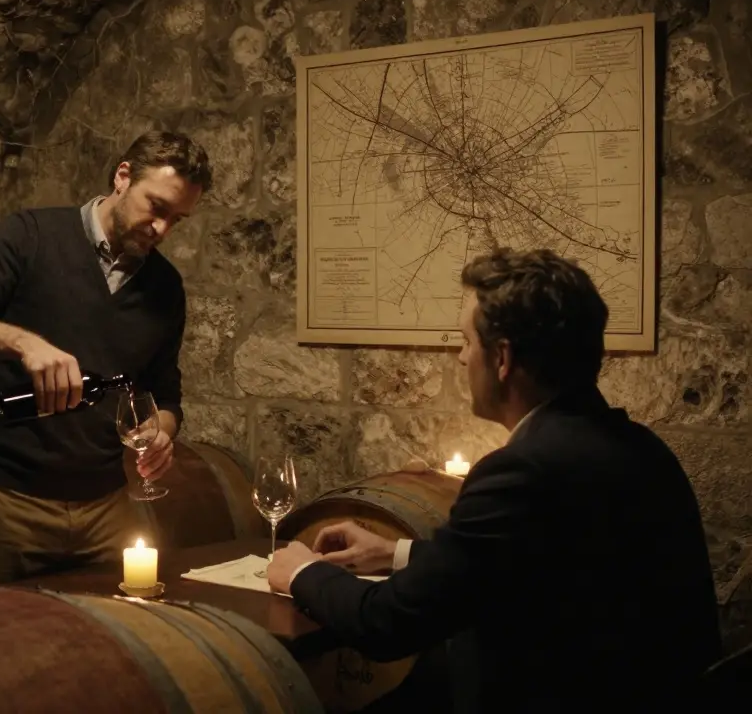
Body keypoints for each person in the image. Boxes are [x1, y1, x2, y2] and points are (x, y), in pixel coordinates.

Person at [268, 248, 723, 713]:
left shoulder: (523, 471)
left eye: (466, 342)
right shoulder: (639, 445)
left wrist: (302, 572)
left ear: (502, 358)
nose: (461, 358)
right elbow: (530, 563)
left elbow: (388, 624)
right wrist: (396, 552)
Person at [0, 131, 211, 586]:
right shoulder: (32, 236)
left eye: (177, 220)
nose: (162, 229)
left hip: (109, 509)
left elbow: (165, 391)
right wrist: (22, 343)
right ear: (123, 176)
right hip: (8, 505)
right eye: (157, 207)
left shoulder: (165, 287)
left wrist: (160, 431)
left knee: (106, 645)